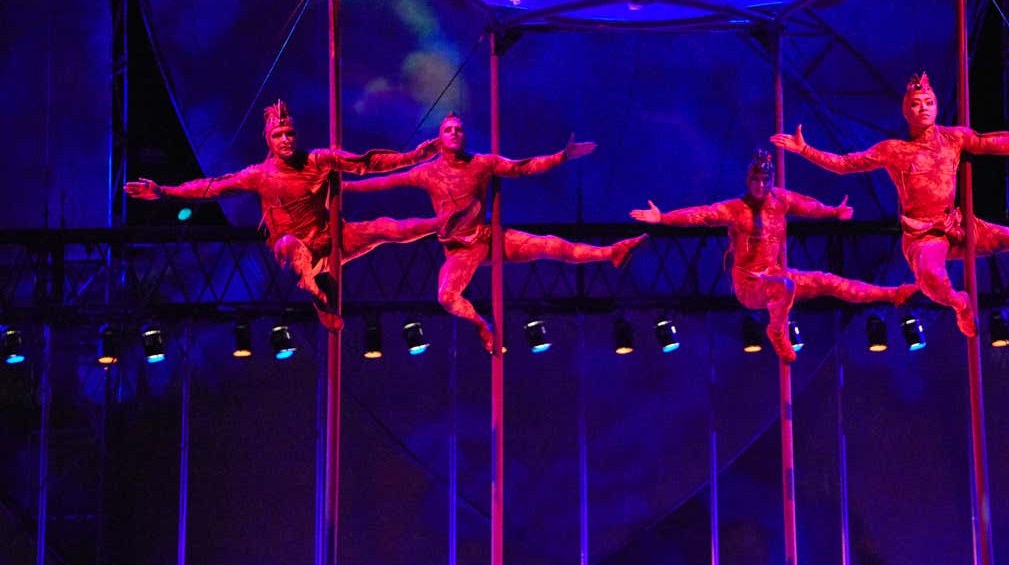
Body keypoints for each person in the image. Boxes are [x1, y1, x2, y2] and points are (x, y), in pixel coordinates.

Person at [771, 72, 1009, 337]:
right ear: (907, 111)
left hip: (958, 223)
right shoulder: (894, 150)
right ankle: (959, 305)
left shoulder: (954, 137)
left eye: (930, 103)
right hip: (923, 236)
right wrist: (806, 150)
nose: (924, 108)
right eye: (917, 105)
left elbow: (994, 143)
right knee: (933, 280)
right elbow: (846, 164)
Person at [125, 100, 462, 327]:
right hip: (297, 251)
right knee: (287, 243)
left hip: (332, 240)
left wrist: (414, 156)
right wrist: (165, 191)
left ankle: (442, 224)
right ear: (268, 140)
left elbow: (366, 162)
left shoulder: (316, 161)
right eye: (278, 135)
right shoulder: (259, 175)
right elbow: (212, 187)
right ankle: (315, 288)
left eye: (289, 133)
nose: (286, 139)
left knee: (386, 228)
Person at [344, 112, 648, 353]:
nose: (454, 133)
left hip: (488, 237)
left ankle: (612, 252)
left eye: (458, 130)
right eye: (448, 129)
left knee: (548, 246)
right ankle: (481, 325)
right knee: (446, 297)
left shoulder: (481, 163)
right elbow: (383, 182)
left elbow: (522, 167)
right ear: (439, 137)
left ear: (464, 136)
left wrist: (562, 157)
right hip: (460, 249)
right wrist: (343, 187)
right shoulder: (427, 172)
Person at [630, 149, 917, 363]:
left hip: (776, 274)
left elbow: (808, 206)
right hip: (749, 284)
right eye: (756, 180)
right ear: (748, 180)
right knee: (786, 286)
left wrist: (833, 211)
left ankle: (891, 294)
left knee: (830, 282)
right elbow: (701, 215)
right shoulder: (735, 209)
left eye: (766, 180)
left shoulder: (780, 200)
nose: (761, 186)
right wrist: (664, 218)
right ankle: (778, 333)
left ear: (771, 180)